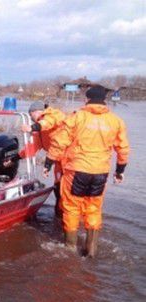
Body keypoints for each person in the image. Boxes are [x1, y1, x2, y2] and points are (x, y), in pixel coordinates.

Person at [45, 85, 130, 257]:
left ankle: (69, 250)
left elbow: (60, 142)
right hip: (100, 172)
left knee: (71, 207)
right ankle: (91, 251)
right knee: (93, 209)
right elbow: (123, 149)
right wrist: (120, 170)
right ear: (104, 101)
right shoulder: (116, 120)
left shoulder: (77, 117)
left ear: (87, 99)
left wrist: (48, 163)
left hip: (77, 170)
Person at [20, 101, 66, 213]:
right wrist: (16, 157)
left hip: (70, 158)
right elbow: (32, 147)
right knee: (58, 185)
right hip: (57, 159)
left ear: (35, 112)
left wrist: (32, 127)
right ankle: (60, 214)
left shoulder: (53, 115)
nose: (31, 119)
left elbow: (47, 123)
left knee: (68, 188)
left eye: (31, 116)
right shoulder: (40, 129)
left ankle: (69, 216)